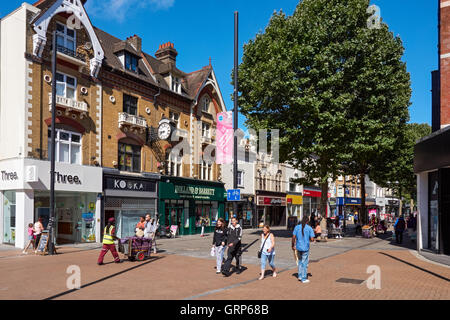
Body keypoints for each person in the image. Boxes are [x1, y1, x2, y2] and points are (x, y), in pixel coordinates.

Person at [292, 216, 316, 283]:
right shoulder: (309, 228)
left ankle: (299, 276)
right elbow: (312, 239)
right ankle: (304, 278)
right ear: (307, 221)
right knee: (304, 263)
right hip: (305, 248)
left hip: (298, 247)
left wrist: (292, 245)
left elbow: (293, 237)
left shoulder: (297, 227)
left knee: (300, 262)